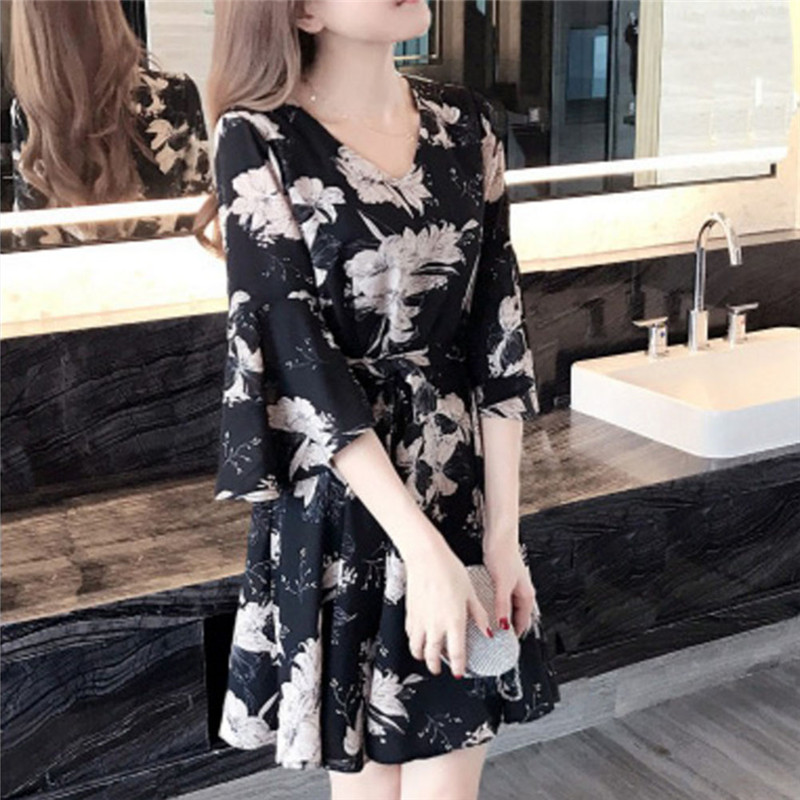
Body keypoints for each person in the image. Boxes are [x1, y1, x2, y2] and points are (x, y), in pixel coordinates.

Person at [193, 1, 560, 798]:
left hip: (456, 486)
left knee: (446, 776)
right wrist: (422, 552)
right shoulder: (258, 139)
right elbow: (301, 367)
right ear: (302, 9)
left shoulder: (469, 125)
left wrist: (503, 538)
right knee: (366, 782)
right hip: (348, 498)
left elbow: (499, 337)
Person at [7, 0, 211, 250]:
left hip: (74, 274)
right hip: (168, 269)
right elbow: (203, 225)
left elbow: (30, 242)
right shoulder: (175, 95)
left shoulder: (32, 112)